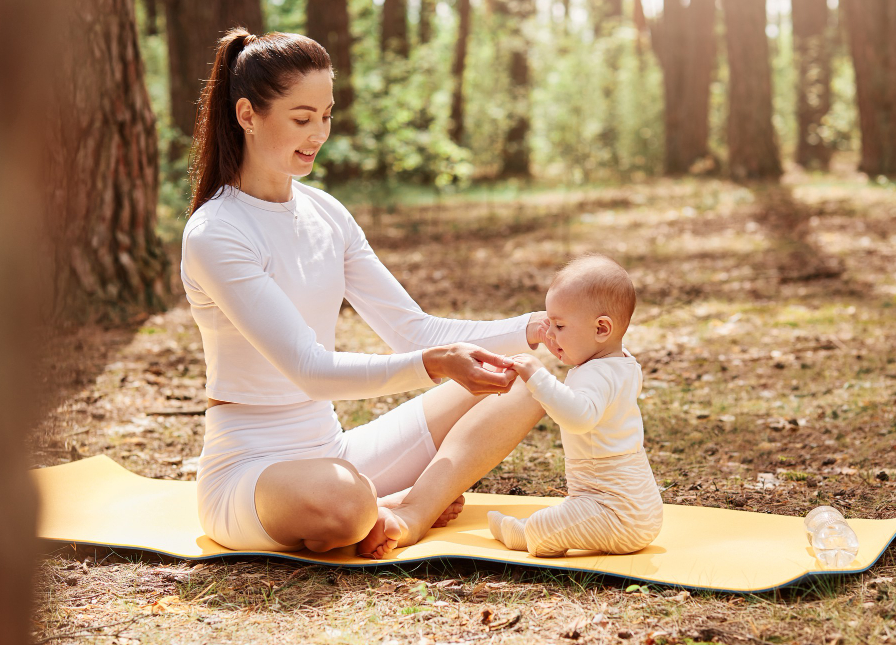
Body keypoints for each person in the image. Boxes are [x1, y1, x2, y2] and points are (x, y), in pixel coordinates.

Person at [180, 28, 549, 559]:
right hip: (251, 475)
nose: (319, 134)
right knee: (345, 503)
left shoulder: (327, 214)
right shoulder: (217, 231)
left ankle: (410, 510)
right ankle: (385, 502)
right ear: (247, 116)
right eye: (302, 118)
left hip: (337, 451)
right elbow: (308, 368)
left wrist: (528, 330)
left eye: (326, 116)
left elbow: (412, 329)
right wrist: (433, 364)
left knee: (532, 374)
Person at [487, 255, 663, 557]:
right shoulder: (623, 364)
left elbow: (580, 417)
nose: (550, 334)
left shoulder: (597, 372)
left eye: (559, 325)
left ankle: (525, 534)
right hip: (629, 506)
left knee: (546, 526)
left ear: (601, 329)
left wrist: (538, 379)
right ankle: (533, 526)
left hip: (616, 513)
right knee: (568, 513)